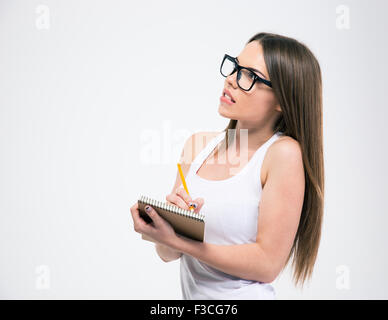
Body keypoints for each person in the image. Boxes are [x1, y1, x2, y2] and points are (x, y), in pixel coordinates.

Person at [130, 32, 324, 299]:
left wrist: (182, 241)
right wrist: (167, 230)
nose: (231, 79)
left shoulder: (283, 154)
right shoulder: (196, 146)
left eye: (250, 76)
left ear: (282, 99)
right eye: (235, 67)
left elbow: (267, 265)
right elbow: (168, 254)